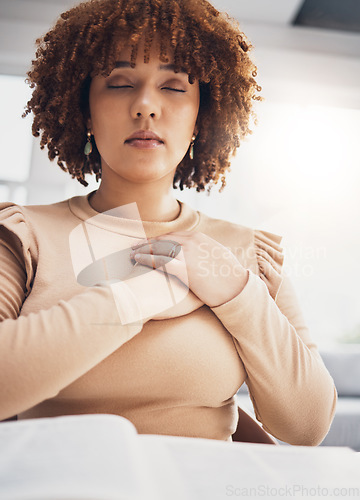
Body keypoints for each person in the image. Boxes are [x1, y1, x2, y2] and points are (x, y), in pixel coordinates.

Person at [0, 0, 336, 445]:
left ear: (202, 117)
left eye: (174, 87)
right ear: (84, 111)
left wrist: (236, 292)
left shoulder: (247, 254)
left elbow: (308, 426)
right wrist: (148, 291)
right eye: (119, 83)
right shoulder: (24, 235)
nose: (145, 106)